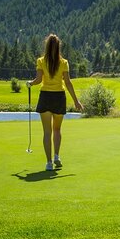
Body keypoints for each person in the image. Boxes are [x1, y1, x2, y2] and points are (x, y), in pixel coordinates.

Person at [27, 34, 83, 170]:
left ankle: (49, 163)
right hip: (59, 97)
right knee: (57, 130)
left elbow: (38, 80)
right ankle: (56, 156)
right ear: (58, 47)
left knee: (47, 132)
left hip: (45, 97)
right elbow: (68, 83)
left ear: (46, 46)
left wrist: (30, 83)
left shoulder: (41, 61)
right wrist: (76, 101)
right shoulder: (64, 62)